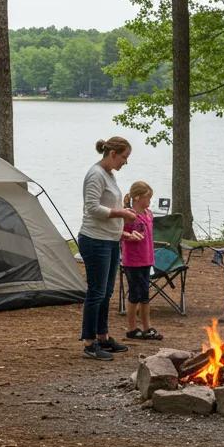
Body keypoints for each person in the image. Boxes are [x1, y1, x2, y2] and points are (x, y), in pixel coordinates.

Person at [78, 136, 137, 361]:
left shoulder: (109, 175)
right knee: (96, 292)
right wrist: (122, 213)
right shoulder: (95, 174)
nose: (125, 162)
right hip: (94, 240)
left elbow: (109, 206)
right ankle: (89, 342)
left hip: (110, 239)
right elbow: (92, 208)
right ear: (112, 154)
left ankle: (103, 336)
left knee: (107, 292)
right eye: (124, 157)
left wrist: (122, 232)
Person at [120, 181, 163, 341]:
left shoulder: (148, 214)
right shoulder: (129, 215)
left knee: (145, 294)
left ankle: (147, 327)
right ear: (137, 197)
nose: (149, 201)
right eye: (147, 197)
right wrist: (130, 237)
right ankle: (132, 328)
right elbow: (120, 234)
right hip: (132, 261)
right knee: (135, 294)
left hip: (147, 259)